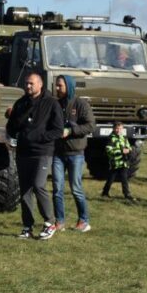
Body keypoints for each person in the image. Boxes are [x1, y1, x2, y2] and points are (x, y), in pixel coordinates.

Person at [6, 71, 64, 240]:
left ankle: (50, 222)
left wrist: (39, 137)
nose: (28, 86)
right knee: (25, 190)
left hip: (42, 152)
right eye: (26, 83)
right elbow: (11, 126)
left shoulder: (51, 104)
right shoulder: (20, 103)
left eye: (31, 83)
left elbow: (58, 130)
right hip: (23, 151)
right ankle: (27, 226)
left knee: (39, 185)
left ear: (40, 84)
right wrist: (15, 135)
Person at [52, 74, 94, 232]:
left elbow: (90, 126)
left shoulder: (81, 104)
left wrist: (71, 130)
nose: (57, 88)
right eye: (56, 85)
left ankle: (84, 220)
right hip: (58, 153)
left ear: (68, 87)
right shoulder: (55, 104)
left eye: (60, 86)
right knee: (57, 188)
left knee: (76, 188)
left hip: (76, 154)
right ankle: (59, 222)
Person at [101, 122, 135, 201]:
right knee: (111, 178)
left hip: (124, 162)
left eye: (120, 129)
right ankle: (105, 192)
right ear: (113, 129)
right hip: (115, 162)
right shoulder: (111, 138)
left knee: (124, 178)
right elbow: (108, 149)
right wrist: (120, 151)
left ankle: (127, 194)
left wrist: (128, 150)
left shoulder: (124, 138)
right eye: (117, 128)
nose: (118, 130)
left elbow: (129, 147)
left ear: (122, 129)